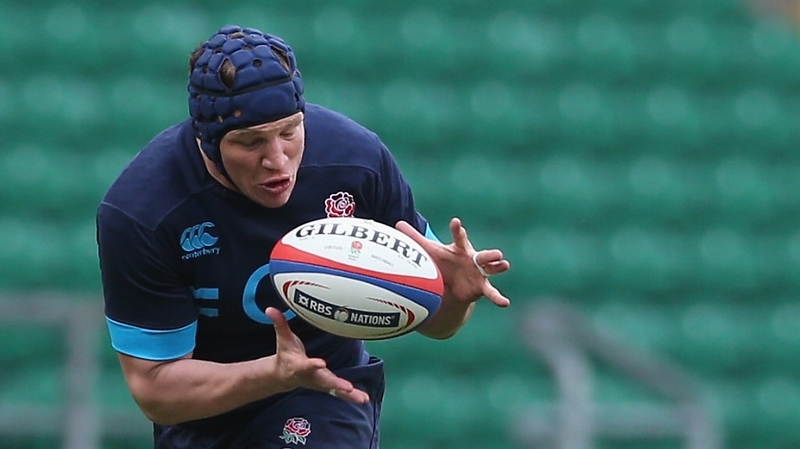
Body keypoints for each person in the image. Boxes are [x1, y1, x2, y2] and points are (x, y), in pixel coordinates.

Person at [96, 24, 510, 449]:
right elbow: (157, 391)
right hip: (203, 411)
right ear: (207, 141)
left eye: (289, 131)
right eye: (250, 141)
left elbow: (437, 324)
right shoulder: (143, 211)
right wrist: (272, 373)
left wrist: (455, 296)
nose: (277, 160)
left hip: (325, 389)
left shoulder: (356, 162)